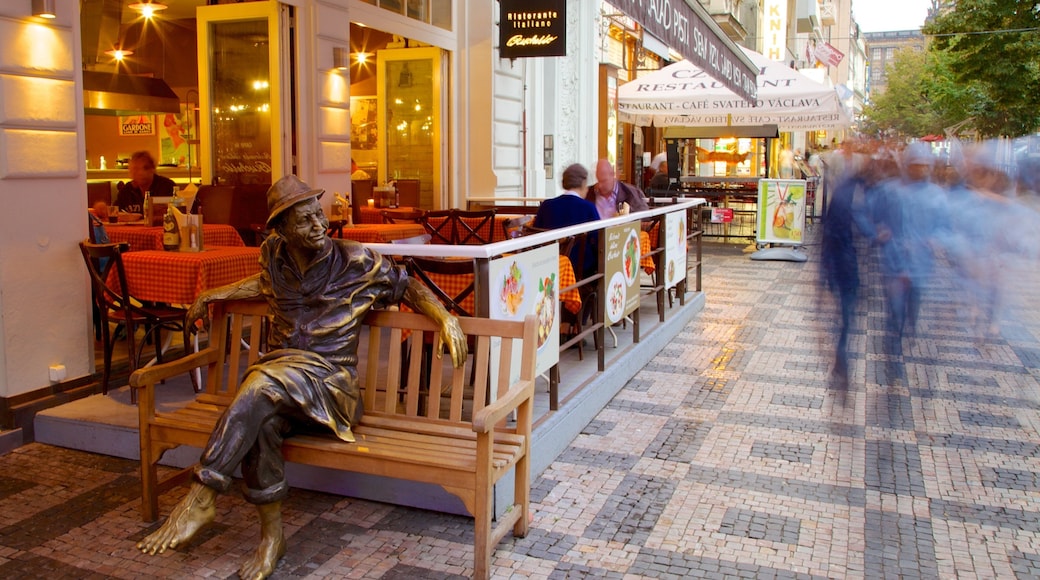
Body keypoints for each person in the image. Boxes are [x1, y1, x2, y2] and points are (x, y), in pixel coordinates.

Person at [135, 175, 468, 580]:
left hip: (332, 387)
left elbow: (407, 287)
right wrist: (212, 294)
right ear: (281, 230)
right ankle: (271, 539)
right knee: (261, 422)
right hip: (281, 388)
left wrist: (445, 317)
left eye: (318, 215)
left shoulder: (356, 260)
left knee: (258, 386)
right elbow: (263, 286)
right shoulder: (273, 256)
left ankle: (201, 496)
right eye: (304, 220)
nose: (318, 225)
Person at [533, 163, 600, 277]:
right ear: (583, 183)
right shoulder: (588, 208)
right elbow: (598, 239)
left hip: (549, 264)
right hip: (580, 268)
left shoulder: (547, 205)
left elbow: (535, 234)